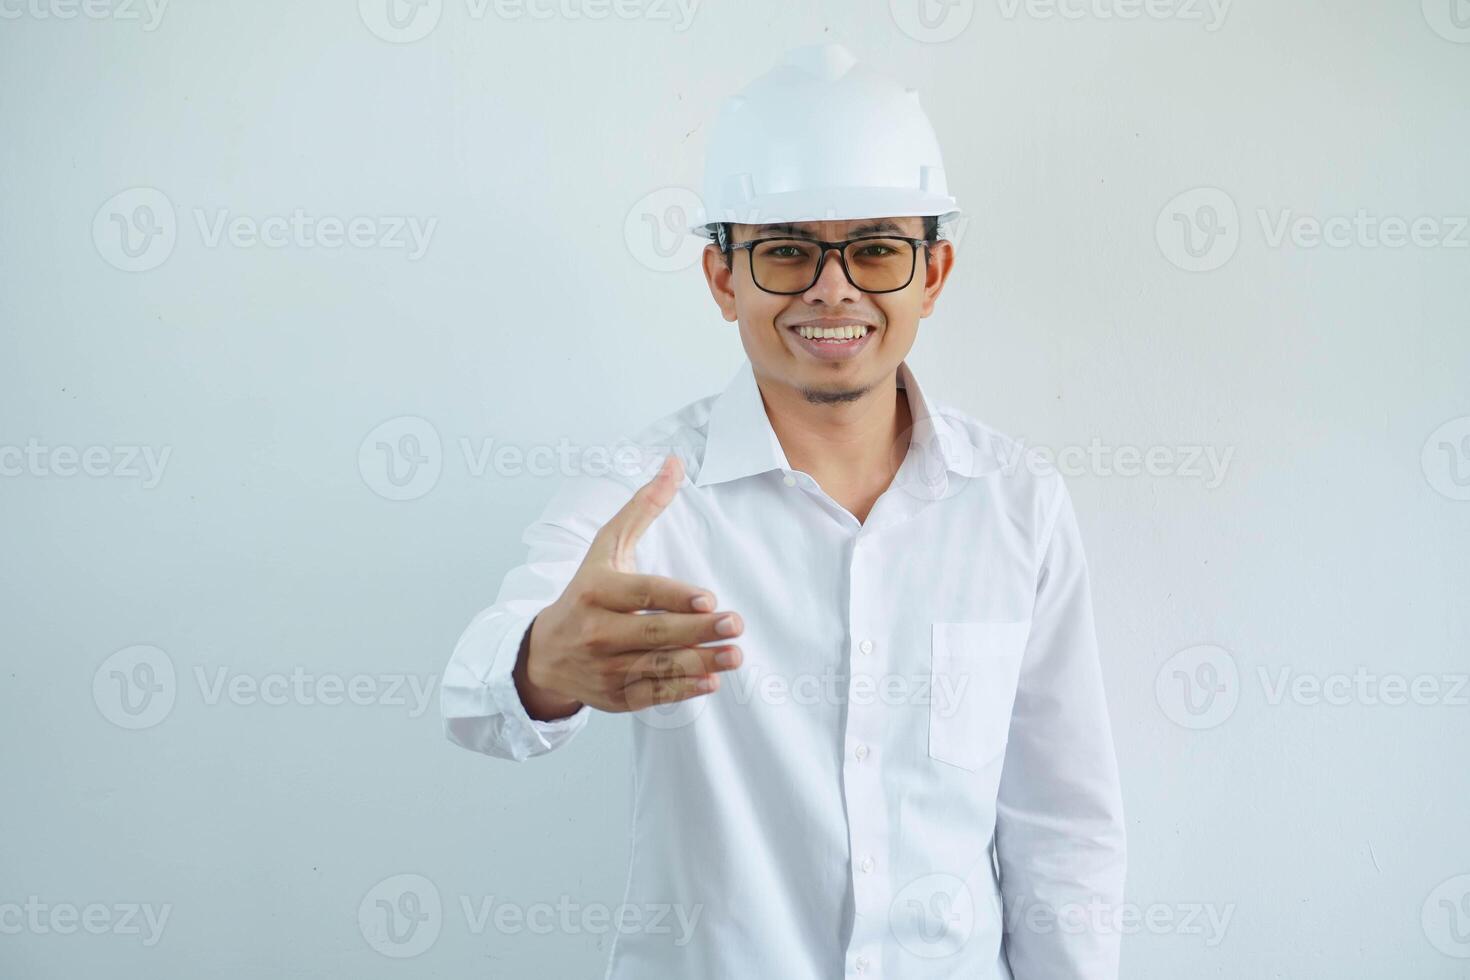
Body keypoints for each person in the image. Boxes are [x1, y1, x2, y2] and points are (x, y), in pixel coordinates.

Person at [441, 41, 1126, 980]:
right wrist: (540, 667)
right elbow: (476, 698)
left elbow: (1064, 828)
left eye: (877, 249)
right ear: (725, 278)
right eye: (787, 251)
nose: (832, 289)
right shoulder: (646, 499)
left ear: (933, 273)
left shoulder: (1016, 505)